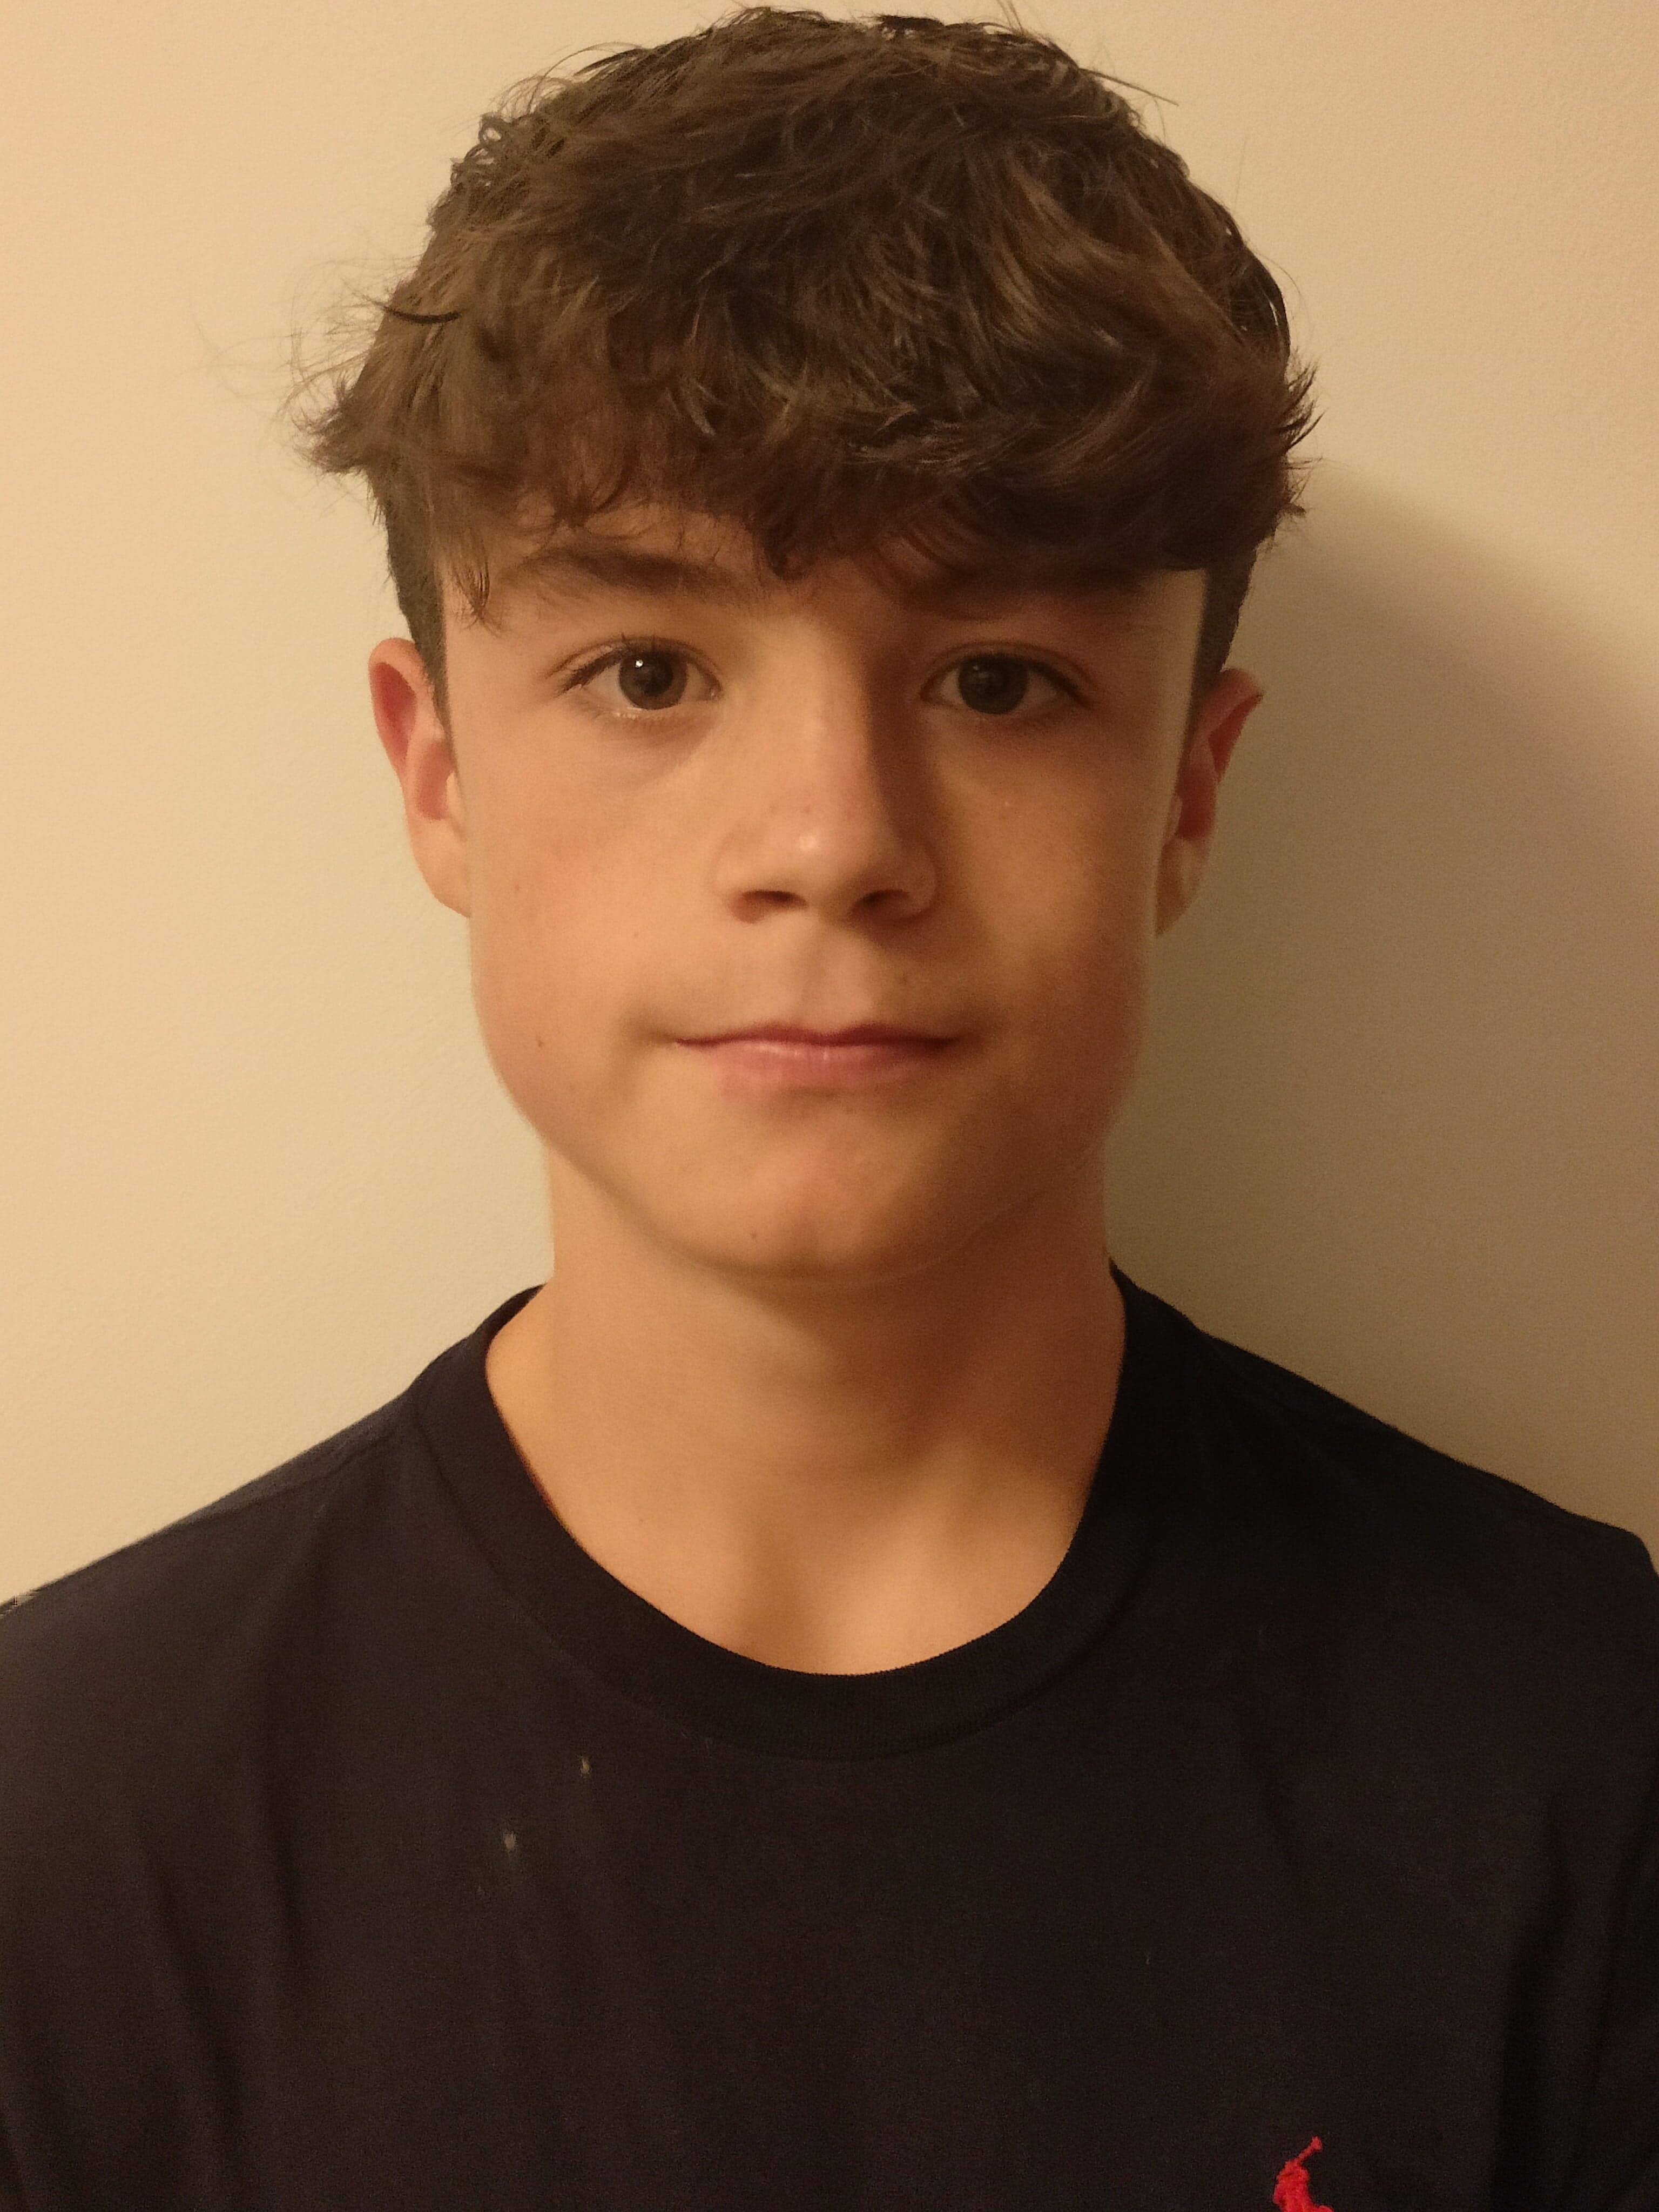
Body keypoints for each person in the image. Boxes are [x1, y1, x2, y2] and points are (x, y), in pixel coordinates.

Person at [2, 8, 1654, 2208]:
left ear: (1186, 794)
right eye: (649, 673)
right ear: (439, 774)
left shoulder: (1580, 1757)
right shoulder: (61, 1834)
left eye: (998, 680)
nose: (833, 839)